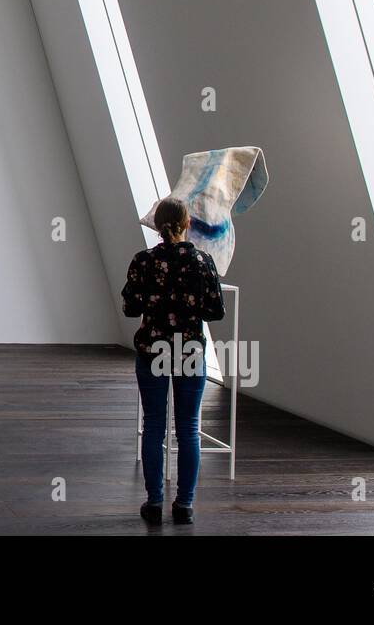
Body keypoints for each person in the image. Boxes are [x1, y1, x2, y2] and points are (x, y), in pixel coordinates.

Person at [122, 197, 225, 525]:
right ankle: (185, 505)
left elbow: (130, 308)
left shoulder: (144, 261)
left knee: (153, 425)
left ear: (157, 224)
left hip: (152, 349)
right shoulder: (203, 261)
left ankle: (154, 503)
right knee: (189, 428)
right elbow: (215, 311)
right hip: (189, 351)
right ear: (188, 224)